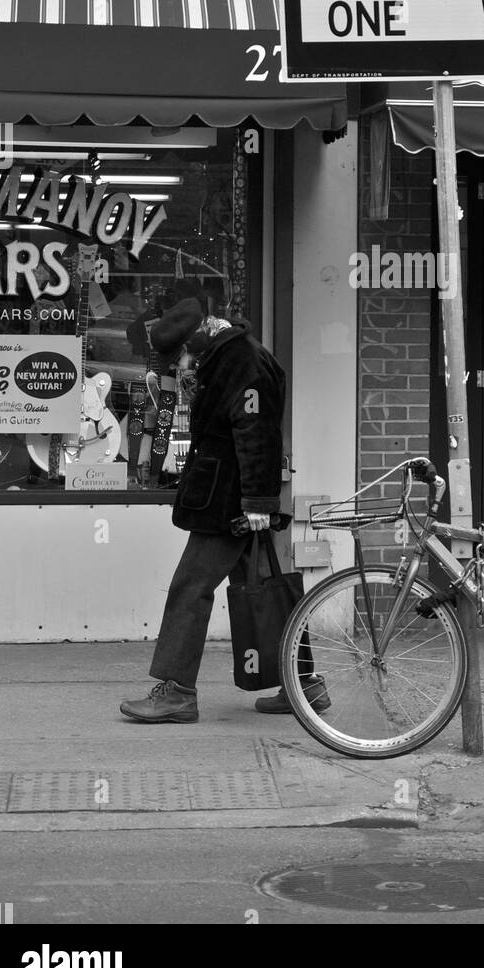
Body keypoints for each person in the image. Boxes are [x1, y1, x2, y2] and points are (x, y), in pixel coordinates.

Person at [120, 306, 328, 723]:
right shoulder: (227, 356)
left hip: (230, 502)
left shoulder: (242, 361)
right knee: (265, 589)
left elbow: (257, 435)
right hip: (231, 497)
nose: (180, 364)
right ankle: (304, 686)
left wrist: (255, 505)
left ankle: (177, 692)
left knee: (190, 587)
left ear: (198, 338)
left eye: (180, 354)